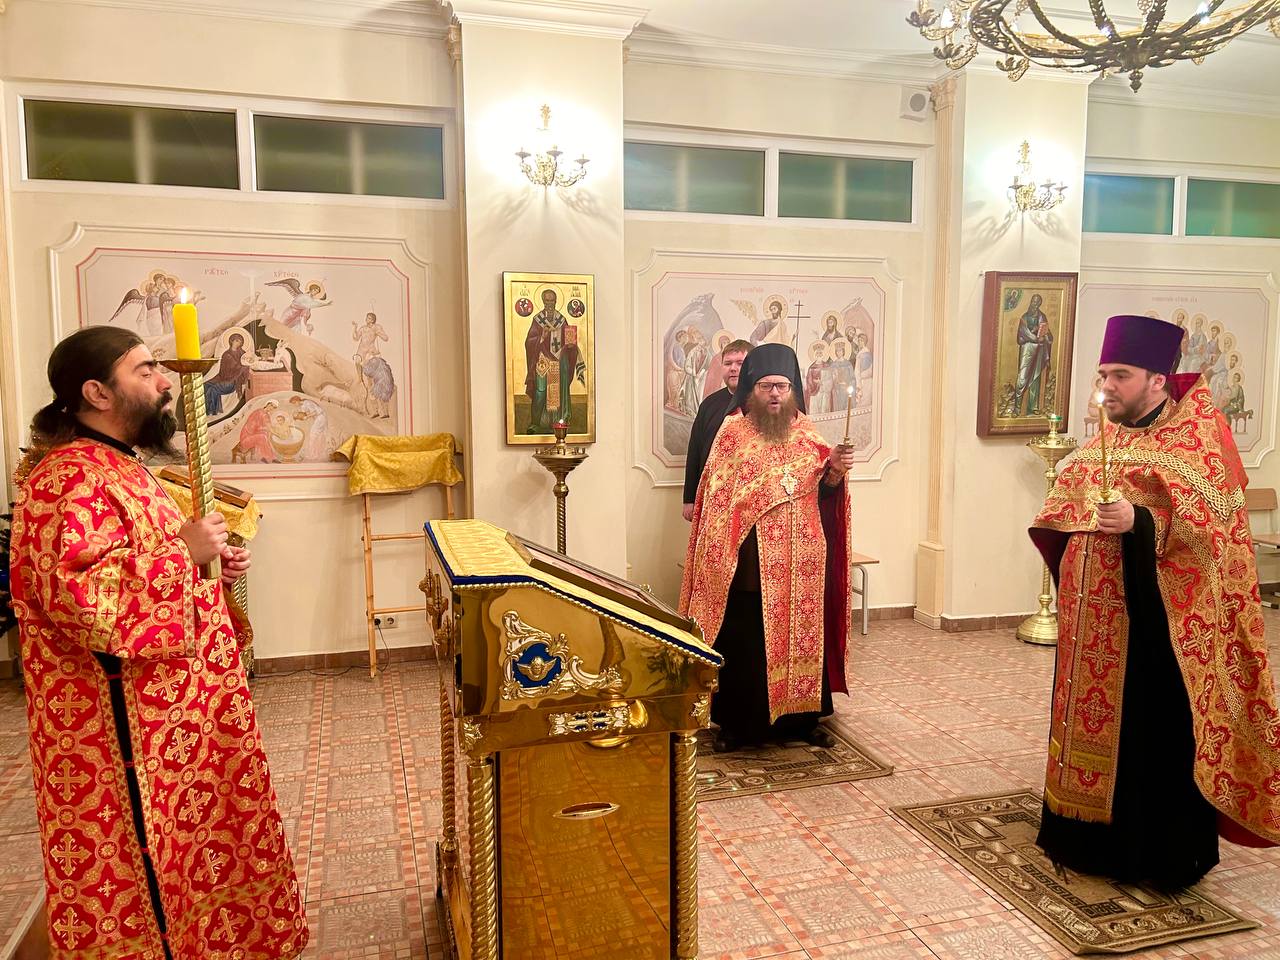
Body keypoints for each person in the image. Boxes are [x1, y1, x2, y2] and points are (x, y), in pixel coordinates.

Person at [8, 326, 307, 959]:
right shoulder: (66, 478)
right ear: (97, 392)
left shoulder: (120, 465)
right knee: (146, 869)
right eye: (145, 371)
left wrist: (209, 567)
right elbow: (77, 596)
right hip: (122, 738)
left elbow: (143, 558)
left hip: (173, 722)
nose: (165, 382)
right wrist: (181, 555)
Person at [1030, 313, 1280, 889]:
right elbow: (1067, 501)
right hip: (1092, 626)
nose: (1107, 387)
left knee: (1152, 735)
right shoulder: (1110, 436)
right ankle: (1080, 838)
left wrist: (1142, 521)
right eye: (1103, 375)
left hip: (1160, 630)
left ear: (1158, 380)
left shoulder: (1198, 438)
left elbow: (1217, 533)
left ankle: (1154, 855)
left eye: (1120, 375)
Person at [680, 343, 854, 752]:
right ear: (751, 389)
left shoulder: (808, 434)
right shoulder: (732, 433)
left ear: (793, 389)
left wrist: (835, 472)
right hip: (747, 562)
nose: (775, 394)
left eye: (781, 386)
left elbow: (824, 493)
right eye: (765, 386)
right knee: (746, 638)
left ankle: (801, 720)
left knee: (801, 633)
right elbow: (719, 498)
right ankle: (738, 726)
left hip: (802, 558)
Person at [682, 339, 751, 522]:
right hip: (712, 495)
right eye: (728, 363)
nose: (733, 368)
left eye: (740, 363)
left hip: (749, 499)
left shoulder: (762, 404)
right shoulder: (709, 404)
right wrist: (689, 499)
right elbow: (695, 451)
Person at [523, 288, 584, 433]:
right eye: (547, 301)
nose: (549, 304)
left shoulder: (561, 320)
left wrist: (571, 346)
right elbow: (529, 342)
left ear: (556, 301)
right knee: (540, 391)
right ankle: (536, 423)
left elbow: (569, 341)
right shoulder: (537, 320)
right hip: (543, 360)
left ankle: (556, 423)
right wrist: (542, 337)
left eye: (552, 301)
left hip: (558, 361)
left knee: (557, 390)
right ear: (543, 301)